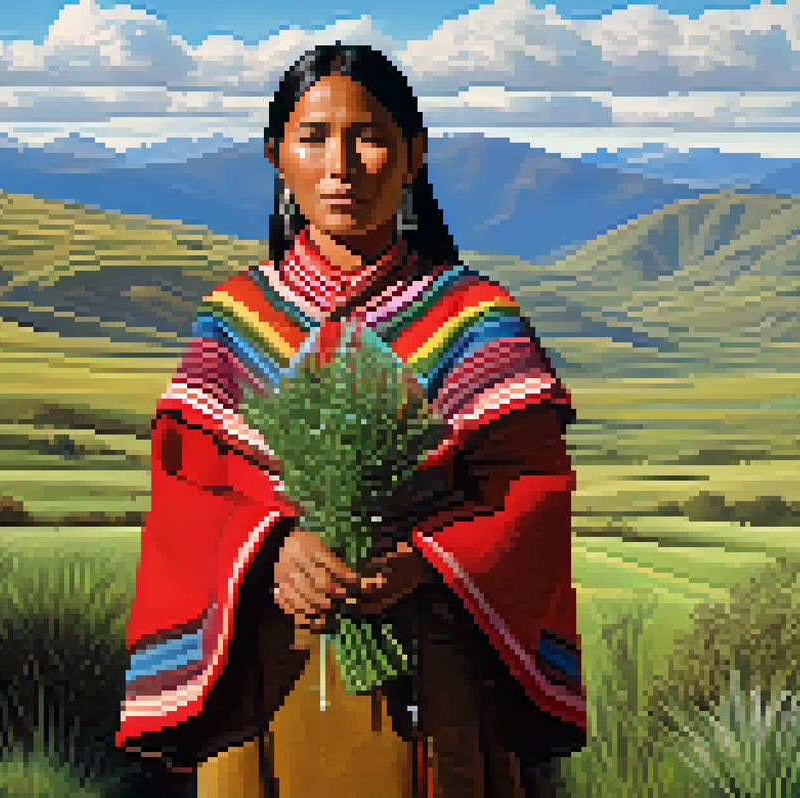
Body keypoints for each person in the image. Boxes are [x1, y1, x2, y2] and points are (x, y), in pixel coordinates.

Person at [118, 42, 586, 797]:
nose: (341, 165)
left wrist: (421, 560)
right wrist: (273, 548)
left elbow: (531, 490)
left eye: (368, 137)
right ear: (276, 156)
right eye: (313, 138)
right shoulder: (235, 320)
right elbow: (187, 493)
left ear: (415, 154)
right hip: (263, 671)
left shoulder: (475, 319)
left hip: (431, 671)